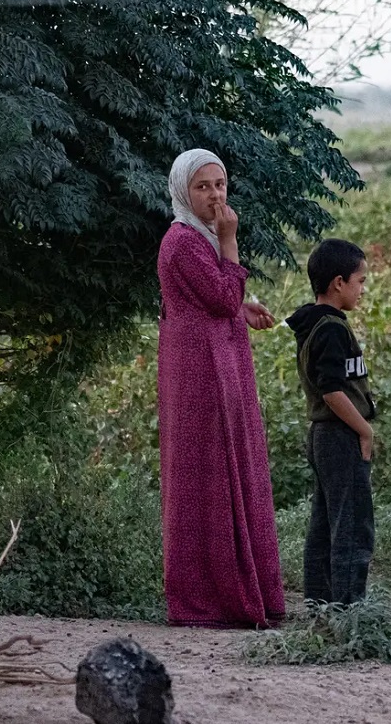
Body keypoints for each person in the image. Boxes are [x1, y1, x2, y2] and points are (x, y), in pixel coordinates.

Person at [157, 149, 285, 628]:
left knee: (228, 466)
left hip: (214, 361)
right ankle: (210, 597)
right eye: (203, 187)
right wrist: (231, 242)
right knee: (208, 473)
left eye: (220, 184)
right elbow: (224, 293)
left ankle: (240, 589)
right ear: (183, 193)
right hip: (200, 372)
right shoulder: (185, 240)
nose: (214, 195)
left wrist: (240, 312)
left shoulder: (199, 239)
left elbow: (217, 301)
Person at [286, 239, 376, 606]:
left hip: (323, 436)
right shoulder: (331, 329)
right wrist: (365, 430)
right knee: (353, 527)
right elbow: (332, 391)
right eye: (360, 280)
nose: (363, 288)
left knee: (325, 526)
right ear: (339, 282)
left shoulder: (314, 324)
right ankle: (349, 611)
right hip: (339, 435)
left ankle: (319, 608)